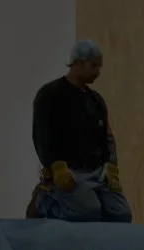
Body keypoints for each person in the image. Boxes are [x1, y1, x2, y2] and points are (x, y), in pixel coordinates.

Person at [28, 40, 133, 223]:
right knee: (87, 212)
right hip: (68, 172)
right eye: (94, 66)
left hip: (96, 173)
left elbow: (106, 137)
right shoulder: (51, 94)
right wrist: (56, 167)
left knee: (121, 215)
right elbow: (42, 135)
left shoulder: (96, 101)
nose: (98, 72)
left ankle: (89, 200)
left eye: (99, 67)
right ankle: (43, 199)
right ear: (78, 63)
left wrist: (111, 166)